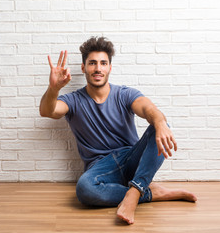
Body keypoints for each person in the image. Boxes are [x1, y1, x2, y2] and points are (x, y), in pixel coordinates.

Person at [39, 36, 197, 225]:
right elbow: (48, 111)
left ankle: (134, 191)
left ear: (110, 68)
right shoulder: (73, 100)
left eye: (103, 63)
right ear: (83, 68)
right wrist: (53, 89)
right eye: (92, 63)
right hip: (101, 168)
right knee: (85, 189)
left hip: (131, 159)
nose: (98, 68)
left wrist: (161, 123)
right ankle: (148, 192)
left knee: (160, 125)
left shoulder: (124, 94)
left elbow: (149, 110)